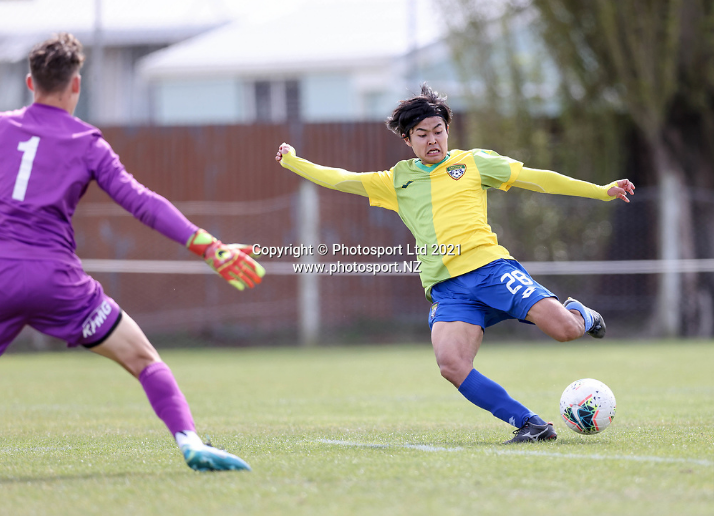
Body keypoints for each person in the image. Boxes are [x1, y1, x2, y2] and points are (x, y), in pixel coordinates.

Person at [275, 84, 635, 444]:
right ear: (407, 139)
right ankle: (531, 424)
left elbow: (537, 178)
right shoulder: (397, 180)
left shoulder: (474, 162)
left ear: (448, 131)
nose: (433, 140)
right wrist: (293, 160)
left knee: (566, 331)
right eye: (422, 134)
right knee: (451, 364)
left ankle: (581, 315)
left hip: (492, 271)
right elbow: (341, 178)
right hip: (448, 289)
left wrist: (598, 190)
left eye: (438, 131)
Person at [0, 33, 265, 471]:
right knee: (143, 359)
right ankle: (190, 442)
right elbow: (141, 201)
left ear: (30, 83)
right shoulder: (87, 142)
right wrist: (211, 248)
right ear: (77, 85)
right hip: (58, 282)